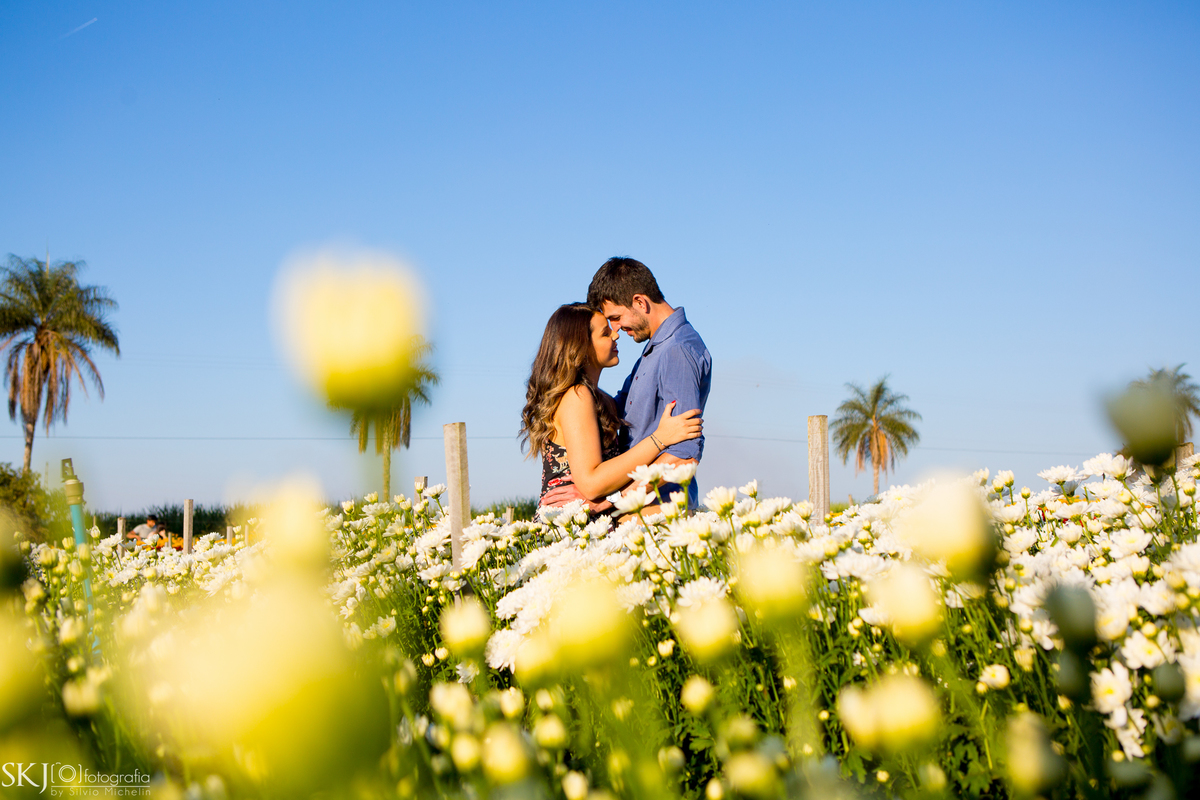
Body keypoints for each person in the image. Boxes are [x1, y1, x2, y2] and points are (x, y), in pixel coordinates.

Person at [520, 302, 703, 515]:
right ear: (581, 346)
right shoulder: (577, 396)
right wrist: (660, 438)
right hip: (572, 527)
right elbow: (591, 483)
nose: (615, 336)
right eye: (605, 333)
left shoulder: (600, 399)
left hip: (589, 522)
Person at [588, 256, 711, 508]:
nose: (616, 328)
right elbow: (617, 410)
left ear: (640, 302)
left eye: (617, 317)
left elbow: (684, 455)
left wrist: (619, 500)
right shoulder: (655, 348)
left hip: (659, 513)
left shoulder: (677, 350)